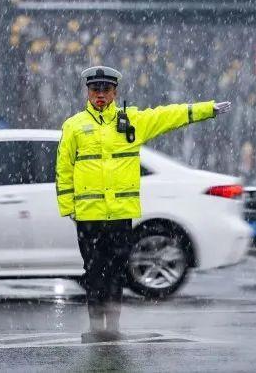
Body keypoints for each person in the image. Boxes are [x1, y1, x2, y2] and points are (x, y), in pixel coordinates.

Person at [56, 65, 232, 343]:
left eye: (105, 89)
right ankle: (95, 329)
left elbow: (169, 115)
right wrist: (69, 208)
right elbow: (64, 170)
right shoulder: (74, 126)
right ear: (88, 92)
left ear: (115, 92)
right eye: (94, 89)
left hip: (120, 216)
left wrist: (207, 109)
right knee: (93, 272)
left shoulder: (132, 121)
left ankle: (110, 328)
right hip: (88, 216)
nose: (99, 95)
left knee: (115, 272)